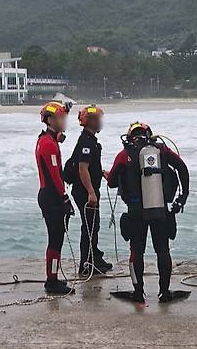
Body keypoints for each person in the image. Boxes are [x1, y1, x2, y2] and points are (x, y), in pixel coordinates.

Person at [107, 122, 189, 303]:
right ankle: (164, 293)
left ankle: (138, 293)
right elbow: (182, 169)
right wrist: (182, 198)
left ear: (130, 138)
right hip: (160, 209)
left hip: (136, 211)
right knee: (163, 250)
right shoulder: (162, 151)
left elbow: (112, 182)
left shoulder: (123, 155)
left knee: (137, 252)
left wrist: (109, 174)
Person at [35, 101, 76, 295]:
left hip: (50, 195)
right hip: (51, 197)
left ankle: (53, 278)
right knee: (55, 240)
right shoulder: (48, 144)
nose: (63, 120)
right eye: (60, 118)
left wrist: (66, 108)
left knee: (56, 239)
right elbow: (54, 175)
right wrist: (65, 199)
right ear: (50, 120)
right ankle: (51, 281)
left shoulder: (48, 139)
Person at [69, 105, 112, 275]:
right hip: (84, 192)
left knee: (94, 226)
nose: (100, 122)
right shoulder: (86, 142)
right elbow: (82, 169)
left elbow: (90, 167)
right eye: (98, 119)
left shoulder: (90, 140)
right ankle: (86, 264)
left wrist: (101, 173)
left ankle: (95, 257)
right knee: (89, 227)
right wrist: (91, 192)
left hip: (88, 190)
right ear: (91, 121)